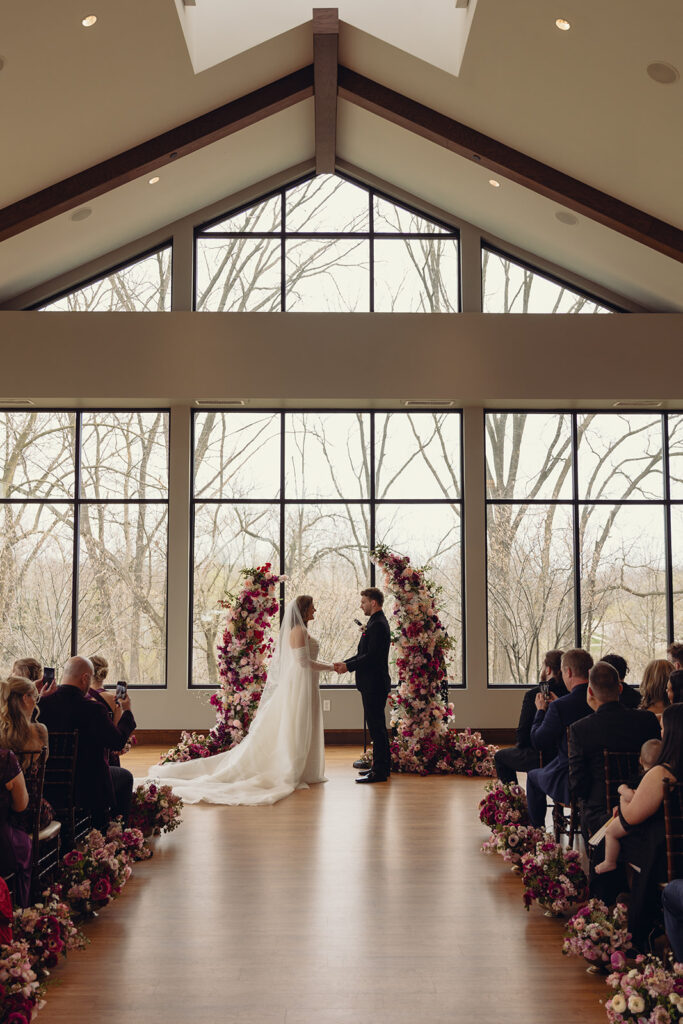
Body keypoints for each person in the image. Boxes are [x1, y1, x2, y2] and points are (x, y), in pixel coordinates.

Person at [146, 596, 331, 805]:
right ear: (304, 610)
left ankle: (304, 767)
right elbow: (303, 663)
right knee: (296, 725)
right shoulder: (298, 631)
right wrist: (333, 667)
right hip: (299, 686)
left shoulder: (301, 631)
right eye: (312, 607)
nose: (315, 610)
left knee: (302, 724)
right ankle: (291, 766)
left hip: (306, 685)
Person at [568, 661, 660, 843]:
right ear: (620, 688)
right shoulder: (647, 720)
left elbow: (578, 785)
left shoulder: (581, 729)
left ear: (591, 691)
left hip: (600, 818)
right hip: (646, 811)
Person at [39, 656, 136, 827]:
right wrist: (127, 711)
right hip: (87, 785)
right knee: (125, 777)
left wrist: (39, 699)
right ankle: (115, 831)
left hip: (48, 784)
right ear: (85, 678)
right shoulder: (93, 709)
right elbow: (117, 742)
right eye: (90, 678)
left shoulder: (42, 704)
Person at [525, 648, 593, 827]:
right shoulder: (598, 698)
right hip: (600, 777)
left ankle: (537, 833)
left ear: (568, 672)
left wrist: (540, 711)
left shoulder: (560, 707)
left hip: (569, 778)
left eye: (563, 671)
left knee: (533, 776)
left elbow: (538, 741)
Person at [334, 588, 392, 784]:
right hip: (372, 683)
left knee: (377, 728)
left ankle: (380, 771)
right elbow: (363, 654)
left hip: (374, 683)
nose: (361, 605)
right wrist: (345, 663)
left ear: (373, 603)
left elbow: (372, 657)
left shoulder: (378, 625)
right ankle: (381, 767)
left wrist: (348, 666)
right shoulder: (374, 623)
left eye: (363, 602)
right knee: (376, 727)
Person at [494, 650, 567, 785]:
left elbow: (523, 736)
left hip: (540, 756)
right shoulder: (571, 693)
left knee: (500, 757)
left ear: (548, 669)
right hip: (566, 755)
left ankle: (514, 802)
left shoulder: (534, 694)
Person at [0, 675, 54, 829]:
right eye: (35, 698)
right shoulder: (39, 731)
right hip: (30, 812)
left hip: (3, 811)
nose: (35, 703)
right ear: (26, 698)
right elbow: (44, 763)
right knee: (49, 808)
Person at [0, 749, 31, 907]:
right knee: (23, 846)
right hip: (2, 846)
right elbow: (21, 805)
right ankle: (20, 915)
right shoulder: (5, 758)